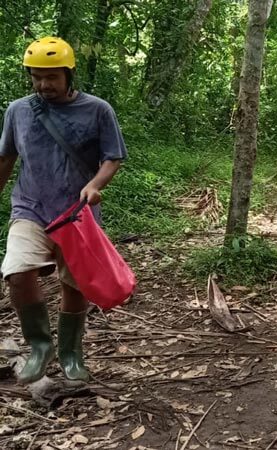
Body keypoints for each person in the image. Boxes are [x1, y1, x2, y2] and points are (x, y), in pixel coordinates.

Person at [0, 37, 127, 383]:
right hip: (30, 207)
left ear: (69, 75)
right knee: (18, 271)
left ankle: (72, 352)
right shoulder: (18, 111)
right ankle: (40, 345)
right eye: (37, 77)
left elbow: (113, 156)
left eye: (52, 77)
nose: (44, 85)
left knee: (74, 284)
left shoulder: (98, 109)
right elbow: (6, 157)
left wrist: (95, 185)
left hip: (76, 215)